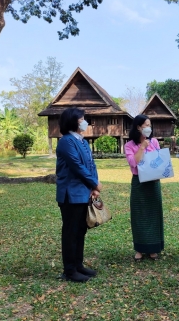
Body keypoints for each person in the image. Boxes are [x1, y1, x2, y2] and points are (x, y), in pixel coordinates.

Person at [55, 108, 103, 283]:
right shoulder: (66, 141)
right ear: (72, 122)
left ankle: (78, 265)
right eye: (81, 119)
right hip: (70, 193)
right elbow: (77, 167)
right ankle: (69, 270)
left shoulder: (82, 141)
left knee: (81, 230)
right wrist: (94, 183)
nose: (85, 121)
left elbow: (91, 165)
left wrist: (94, 186)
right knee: (71, 231)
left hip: (84, 192)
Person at [124, 115, 164, 261]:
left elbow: (159, 160)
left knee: (154, 214)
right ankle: (140, 249)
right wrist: (142, 147)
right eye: (146, 125)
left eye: (150, 125)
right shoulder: (129, 145)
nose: (149, 128)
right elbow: (133, 162)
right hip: (139, 183)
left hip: (153, 182)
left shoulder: (154, 142)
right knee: (139, 215)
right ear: (138, 127)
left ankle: (153, 248)